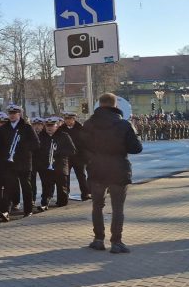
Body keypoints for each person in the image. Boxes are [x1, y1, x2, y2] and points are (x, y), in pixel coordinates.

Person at [83, 93, 142, 254]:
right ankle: (116, 242)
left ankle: (98, 239)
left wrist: (91, 160)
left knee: (97, 206)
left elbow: (81, 148)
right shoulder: (124, 124)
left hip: (96, 170)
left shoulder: (88, 124)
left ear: (99, 105)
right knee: (117, 208)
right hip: (118, 170)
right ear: (115, 106)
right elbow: (136, 148)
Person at [0, 104, 40, 221]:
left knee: (26, 187)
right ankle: (5, 211)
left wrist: (21, 146)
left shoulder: (27, 127)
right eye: (10, 113)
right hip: (9, 163)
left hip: (24, 162)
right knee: (8, 187)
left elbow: (36, 144)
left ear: (19, 114)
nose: (12, 115)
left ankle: (28, 210)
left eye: (15, 113)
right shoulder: (4, 128)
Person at [36, 116, 75, 208]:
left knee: (62, 187)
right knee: (46, 186)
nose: (49, 127)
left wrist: (57, 152)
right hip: (45, 166)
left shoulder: (64, 135)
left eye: (52, 125)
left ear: (57, 126)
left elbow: (72, 150)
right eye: (47, 126)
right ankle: (45, 203)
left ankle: (62, 205)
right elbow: (36, 150)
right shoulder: (41, 136)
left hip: (60, 165)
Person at [61, 112, 90, 200]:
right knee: (66, 177)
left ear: (74, 119)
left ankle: (85, 194)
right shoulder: (61, 129)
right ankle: (65, 195)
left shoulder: (81, 129)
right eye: (66, 119)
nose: (67, 121)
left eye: (69, 119)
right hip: (67, 157)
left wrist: (85, 156)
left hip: (79, 157)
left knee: (81, 176)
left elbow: (86, 143)